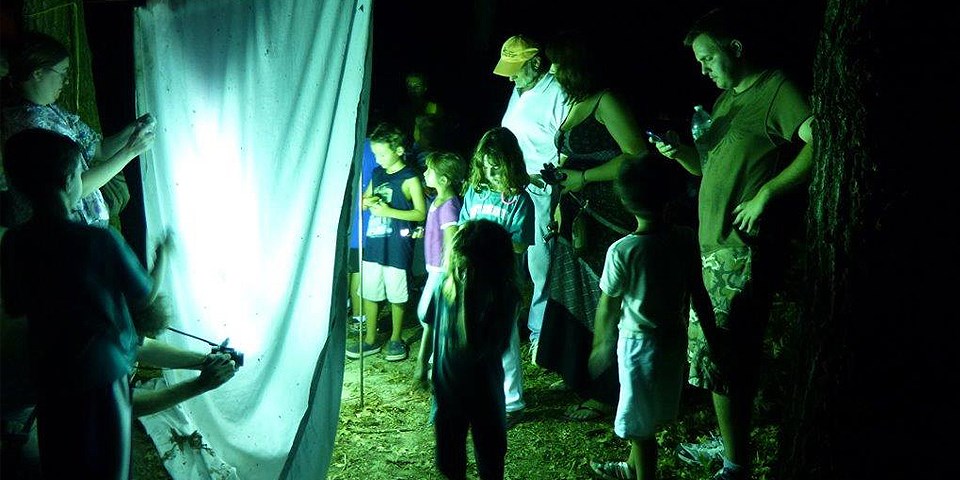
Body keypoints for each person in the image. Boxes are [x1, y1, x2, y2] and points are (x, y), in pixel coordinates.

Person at [651, 8, 814, 479]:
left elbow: (820, 139)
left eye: (708, 57)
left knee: (723, 353)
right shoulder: (724, 102)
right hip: (711, 245)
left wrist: (767, 193)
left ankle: (735, 464)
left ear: (735, 48)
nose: (702, 69)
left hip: (738, 250)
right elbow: (707, 169)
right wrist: (679, 152)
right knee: (715, 355)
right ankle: (731, 453)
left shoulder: (776, 89)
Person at [0, 128, 169, 479]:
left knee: (63, 462)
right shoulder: (99, 239)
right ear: (67, 181)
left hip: (49, 372)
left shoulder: (15, 242)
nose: (82, 179)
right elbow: (146, 294)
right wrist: (164, 256)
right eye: (80, 172)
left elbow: (16, 305)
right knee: (111, 465)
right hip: (102, 373)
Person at [537, 29, 651, 421]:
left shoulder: (607, 101)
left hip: (606, 217)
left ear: (577, 64)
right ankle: (580, 374)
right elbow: (570, 157)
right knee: (579, 295)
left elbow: (637, 155)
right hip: (575, 215)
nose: (552, 69)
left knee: (607, 301)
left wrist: (584, 179)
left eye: (558, 62)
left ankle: (609, 391)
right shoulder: (576, 102)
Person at [586, 158, 717, 480]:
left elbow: (607, 304)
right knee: (647, 411)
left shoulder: (623, 250)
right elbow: (698, 290)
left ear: (624, 200)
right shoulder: (685, 238)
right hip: (673, 339)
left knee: (639, 428)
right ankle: (630, 468)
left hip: (637, 345)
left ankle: (642, 473)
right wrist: (713, 335)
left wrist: (600, 344)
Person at [1, 31, 155, 229]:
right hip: (70, 232)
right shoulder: (31, 125)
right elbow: (76, 188)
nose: (65, 81)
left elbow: (98, 148)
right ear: (38, 73)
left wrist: (134, 130)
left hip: (88, 224)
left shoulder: (49, 109)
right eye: (62, 73)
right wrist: (130, 152)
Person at [414, 219, 520, 480]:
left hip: (485, 391)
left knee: (491, 456)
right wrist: (420, 365)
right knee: (449, 460)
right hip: (448, 388)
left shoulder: (503, 296)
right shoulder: (444, 287)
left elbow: (481, 343)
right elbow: (430, 325)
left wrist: (467, 299)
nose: (461, 270)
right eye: (459, 263)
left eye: (468, 266)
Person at [492, 34, 569, 362]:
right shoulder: (517, 88)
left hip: (541, 192)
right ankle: (511, 327)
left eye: (515, 68)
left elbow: (569, 146)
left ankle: (541, 336)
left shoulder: (558, 91)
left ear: (536, 63)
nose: (509, 75)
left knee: (542, 268)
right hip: (511, 191)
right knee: (509, 264)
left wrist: (554, 187)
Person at [458, 126, 534, 427]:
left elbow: (519, 243)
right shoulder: (475, 193)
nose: (491, 173)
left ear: (511, 164)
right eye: (486, 167)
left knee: (504, 341)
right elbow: (463, 227)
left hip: (503, 282)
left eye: (497, 167)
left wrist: (486, 239)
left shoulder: (519, 201)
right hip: (472, 280)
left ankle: (512, 402)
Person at [346, 122, 426, 361]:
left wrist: (388, 211)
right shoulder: (378, 173)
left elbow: (420, 213)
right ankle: (370, 339)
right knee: (370, 291)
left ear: (399, 151)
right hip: (373, 243)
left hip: (396, 246)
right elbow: (364, 198)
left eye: (382, 154)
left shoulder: (409, 177)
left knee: (397, 293)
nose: (377, 159)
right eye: (375, 154)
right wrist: (366, 202)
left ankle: (395, 339)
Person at [416, 151, 465, 325]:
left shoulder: (449, 206)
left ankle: (437, 348)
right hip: (435, 267)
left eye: (429, 171)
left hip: (442, 269)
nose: (424, 173)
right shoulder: (438, 199)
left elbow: (451, 238)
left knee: (425, 314)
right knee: (431, 314)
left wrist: (449, 269)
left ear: (443, 180)